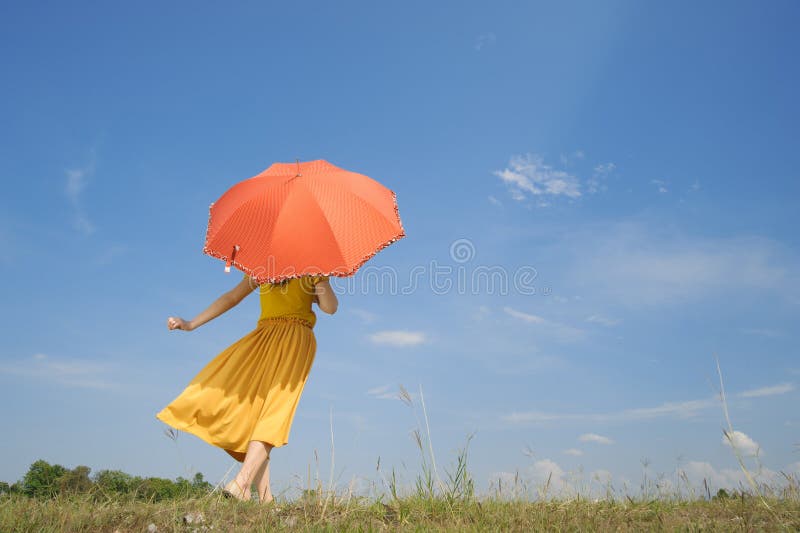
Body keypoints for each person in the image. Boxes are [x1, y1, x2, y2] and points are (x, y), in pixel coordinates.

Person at [156, 271, 338, 503]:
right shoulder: (263, 269)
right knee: (249, 411)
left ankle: (242, 483)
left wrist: (320, 279)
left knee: (274, 412)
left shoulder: (310, 272)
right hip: (263, 338)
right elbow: (231, 298)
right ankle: (266, 500)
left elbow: (330, 308)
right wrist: (191, 324)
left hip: (295, 339)